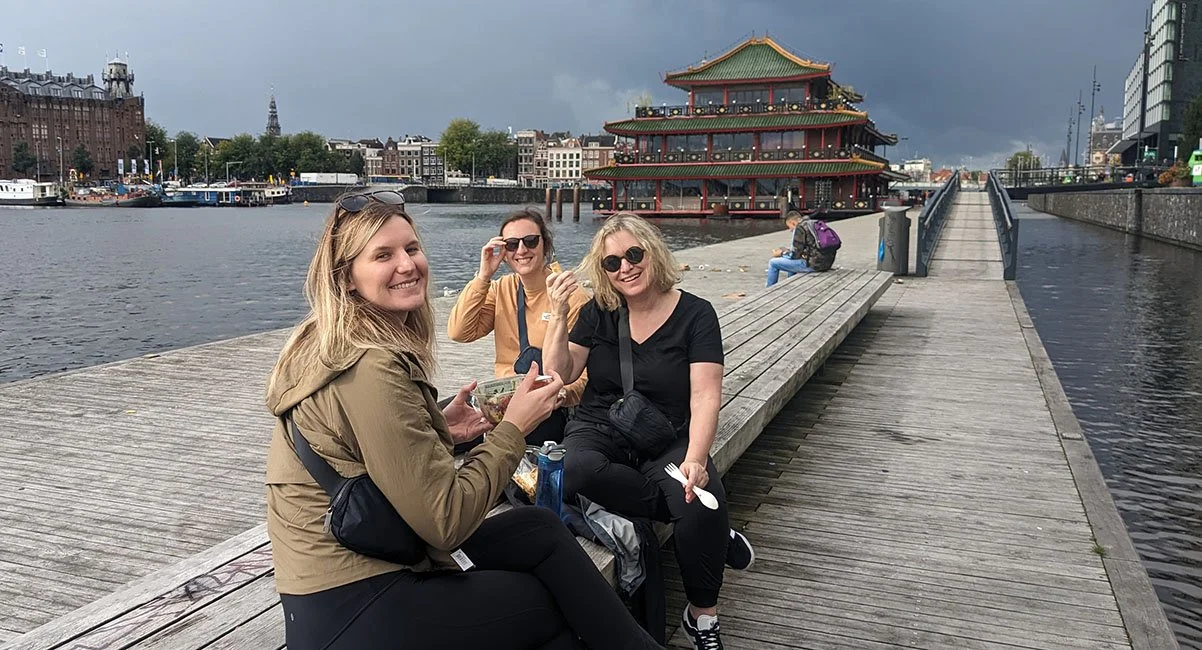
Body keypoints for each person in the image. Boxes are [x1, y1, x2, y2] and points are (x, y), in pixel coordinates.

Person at [264, 191, 662, 650]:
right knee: (547, 606)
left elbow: (367, 446)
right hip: (352, 597)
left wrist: (441, 430)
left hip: (361, 560)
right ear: (347, 278)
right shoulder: (371, 366)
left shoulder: (331, 338)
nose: (408, 264)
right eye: (383, 256)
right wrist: (513, 428)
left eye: (412, 248)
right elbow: (445, 521)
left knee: (539, 529)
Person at [541, 212, 755, 650]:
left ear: (653, 252)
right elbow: (559, 373)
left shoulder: (696, 314)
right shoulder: (600, 311)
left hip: (667, 432)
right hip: (601, 423)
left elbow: (705, 396)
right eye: (612, 263)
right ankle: (716, 533)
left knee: (697, 502)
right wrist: (559, 315)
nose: (625, 268)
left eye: (633, 255)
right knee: (574, 470)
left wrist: (695, 457)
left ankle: (702, 617)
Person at [448, 208, 590, 445]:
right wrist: (483, 276)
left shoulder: (571, 297)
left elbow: (584, 374)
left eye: (531, 241)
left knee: (502, 444)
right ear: (503, 252)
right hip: (502, 402)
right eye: (512, 244)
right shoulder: (502, 289)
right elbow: (460, 331)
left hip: (548, 405)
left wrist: (562, 395)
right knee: (438, 425)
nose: (522, 250)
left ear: (545, 244)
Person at [765, 211, 814, 287]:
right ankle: (791, 286)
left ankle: (769, 290)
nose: (790, 230)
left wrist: (781, 253)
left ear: (793, 223)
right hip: (824, 263)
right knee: (790, 262)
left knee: (773, 263)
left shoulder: (799, 229)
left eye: (789, 227)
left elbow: (794, 255)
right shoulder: (811, 224)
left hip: (812, 265)